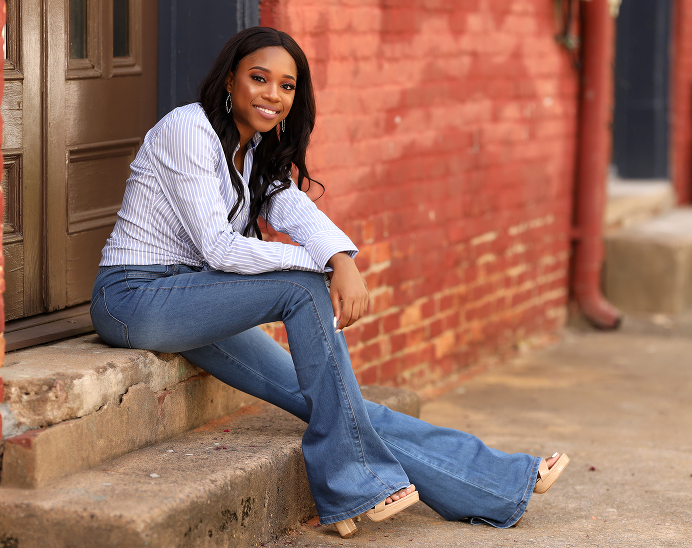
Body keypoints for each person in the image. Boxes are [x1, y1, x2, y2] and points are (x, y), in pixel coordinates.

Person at [90, 26, 569, 539]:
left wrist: (341, 258)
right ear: (230, 80)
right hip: (134, 297)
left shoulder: (252, 152)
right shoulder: (189, 129)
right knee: (302, 288)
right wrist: (317, 269)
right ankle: (349, 485)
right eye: (259, 79)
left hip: (197, 298)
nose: (273, 95)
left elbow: (294, 208)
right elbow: (219, 248)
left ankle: (498, 484)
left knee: (335, 397)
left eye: (287, 86)